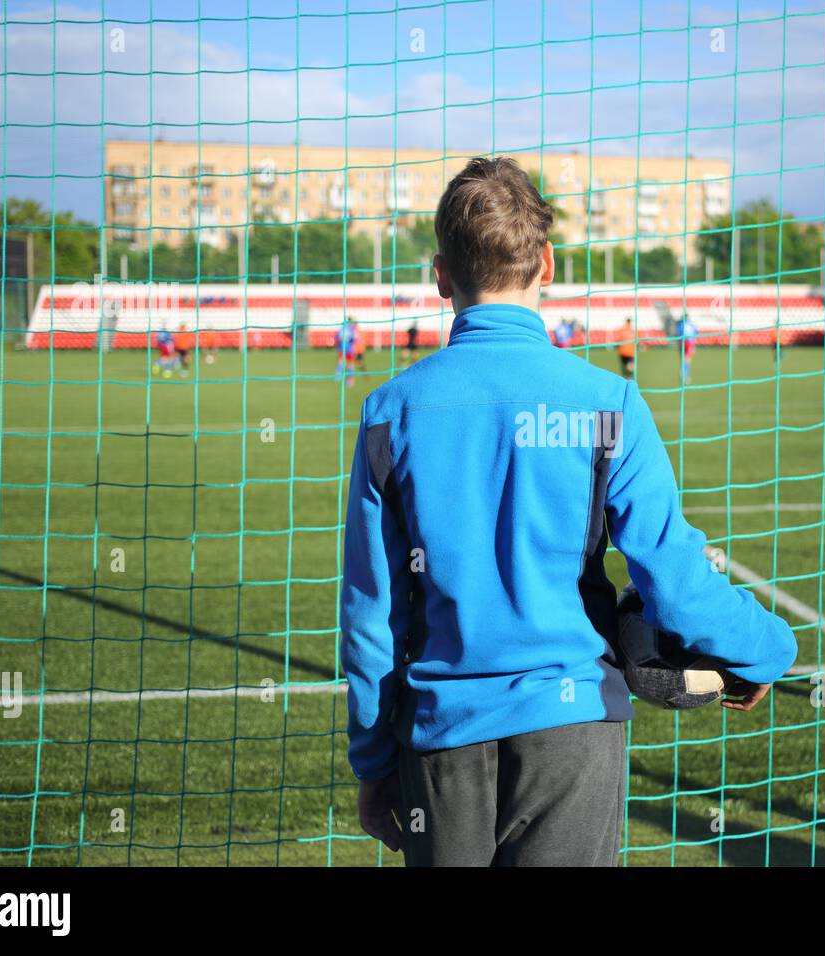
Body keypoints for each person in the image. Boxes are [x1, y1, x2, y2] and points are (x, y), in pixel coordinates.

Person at [340, 157, 796, 867]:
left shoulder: (387, 414)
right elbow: (674, 583)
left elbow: (371, 616)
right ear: (547, 264)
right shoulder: (609, 403)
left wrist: (372, 762)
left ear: (439, 275)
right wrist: (769, 649)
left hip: (439, 740)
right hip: (573, 726)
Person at [337, 318, 360, 384]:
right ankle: (349, 381)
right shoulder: (351, 330)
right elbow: (354, 340)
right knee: (350, 365)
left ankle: (339, 377)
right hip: (349, 350)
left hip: (342, 349)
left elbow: (338, 338)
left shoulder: (341, 329)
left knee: (341, 363)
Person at [680, 314, 697, 384]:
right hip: (687, 343)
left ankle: (684, 374)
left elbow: (695, 333)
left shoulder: (685, 325)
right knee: (687, 360)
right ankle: (686, 375)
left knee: (686, 359)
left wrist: (693, 345)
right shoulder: (685, 325)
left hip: (686, 343)